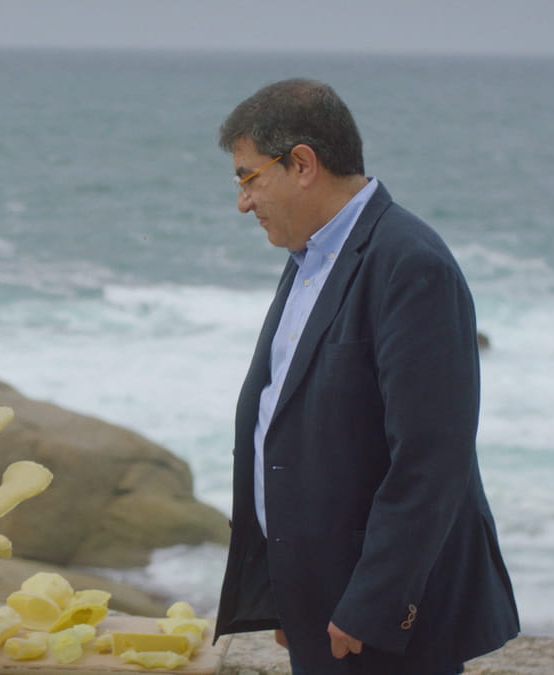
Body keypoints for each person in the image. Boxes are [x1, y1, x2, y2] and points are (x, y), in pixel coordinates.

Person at [212, 78, 519, 674]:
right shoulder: (310, 256)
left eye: (249, 178)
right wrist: (280, 585)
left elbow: (431, 459)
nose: (243, 202)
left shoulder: (411, 263)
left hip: (379, 623)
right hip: (315, 601)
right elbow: (290, 417)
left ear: (303, 164)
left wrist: (374, 603)